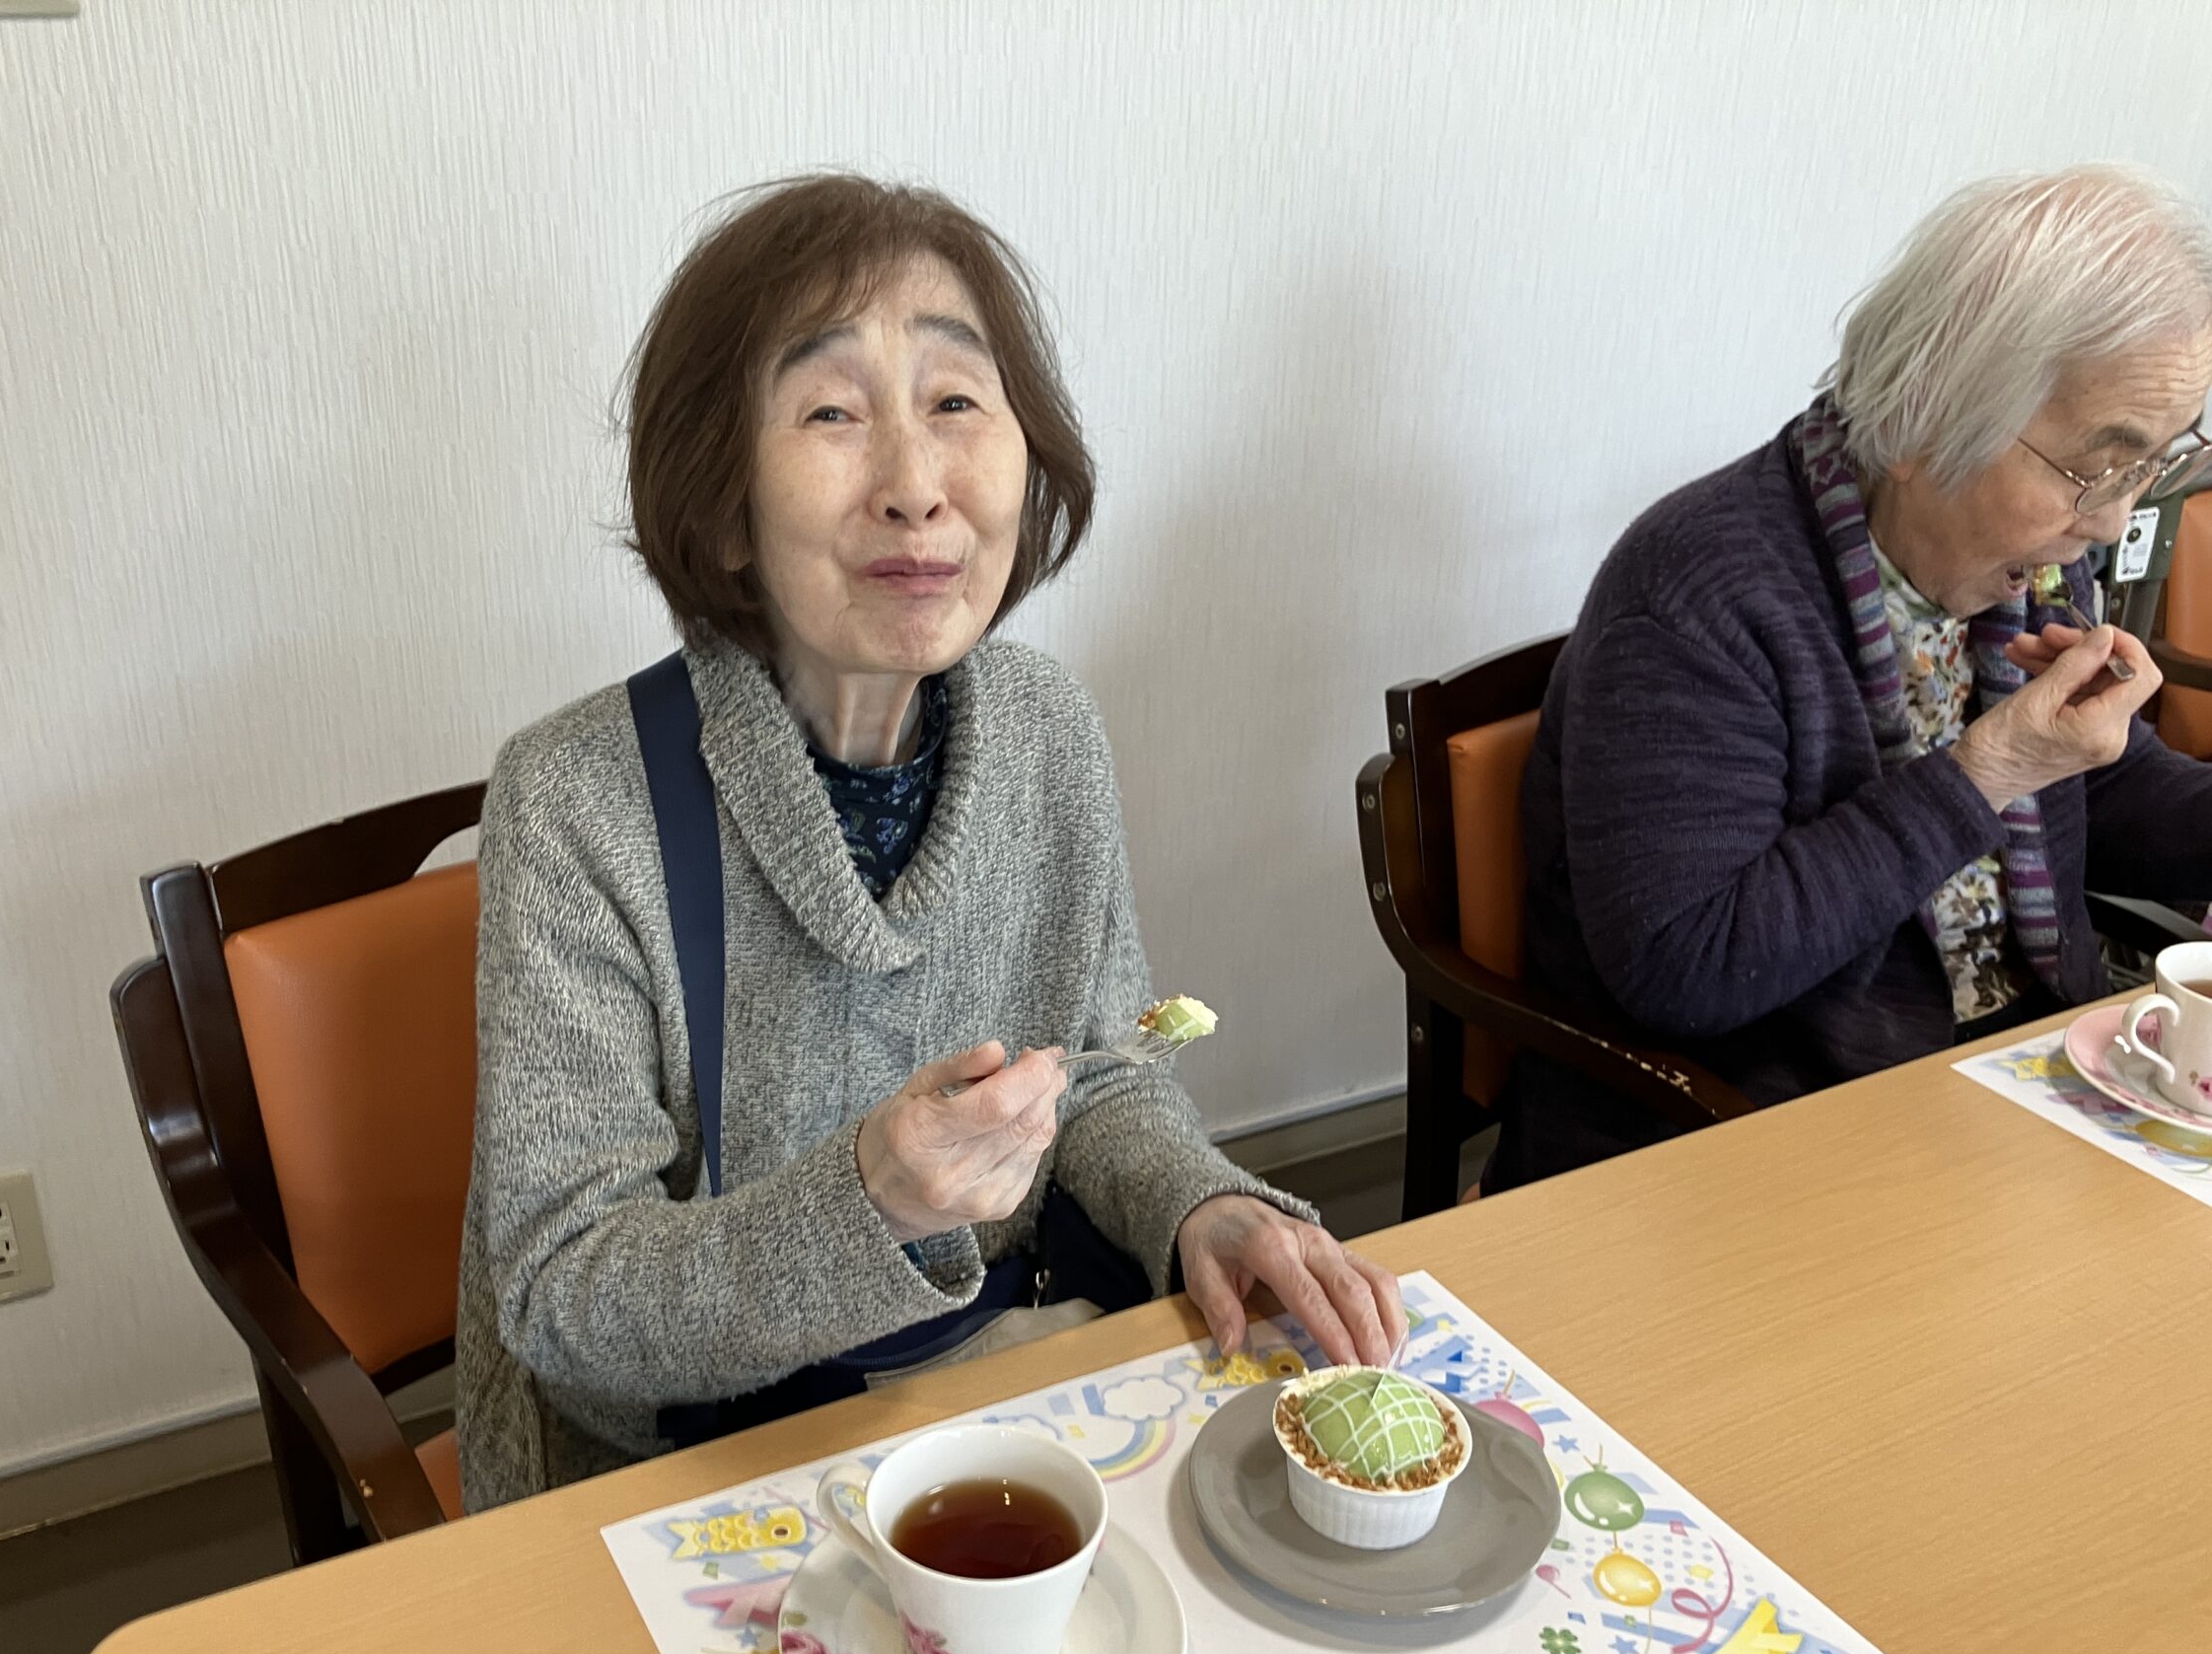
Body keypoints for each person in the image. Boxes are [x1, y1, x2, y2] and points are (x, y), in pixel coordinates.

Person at [458, 176, 1404, 1509]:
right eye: (832, 413)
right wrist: (871, 1202)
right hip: (689, 1469)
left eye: (956, 402)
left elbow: (1102, 1080)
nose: (916, 485)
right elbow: (563, 1298)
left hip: (996, 1383)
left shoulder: (1048, 730)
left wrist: (1201, 1204)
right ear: (722, 506)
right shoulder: (575, 801)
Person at [1491, 165, 2212, 1192]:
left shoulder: (2020, 567)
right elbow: (1687, 965)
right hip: (1764, 1132)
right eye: (2093, 469)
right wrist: (1987, 771)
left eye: (2148, 467)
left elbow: (2099, 783)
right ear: (1921, 420)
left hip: (2023, 1078)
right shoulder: (1696, 598)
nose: (2108, 522)